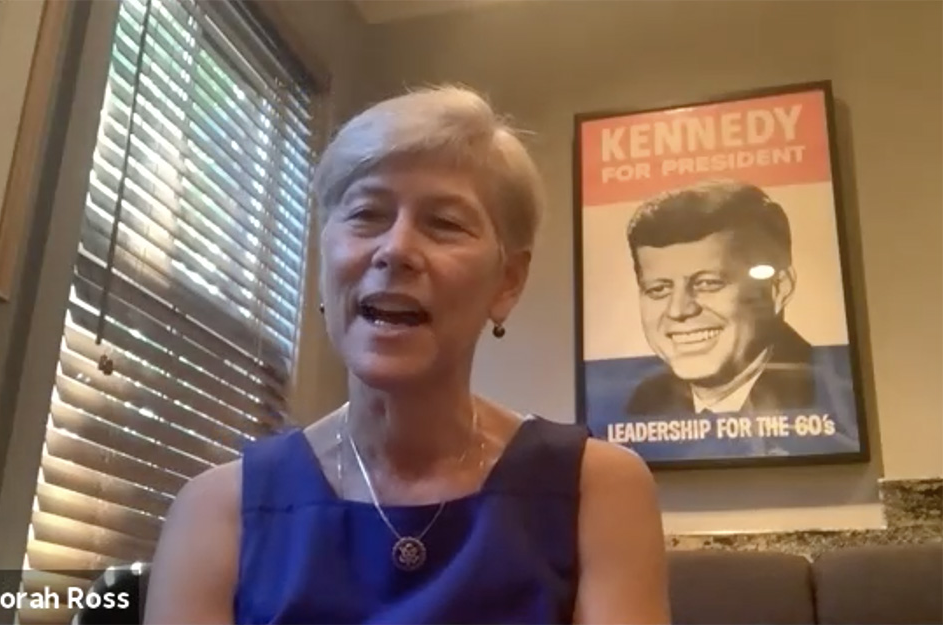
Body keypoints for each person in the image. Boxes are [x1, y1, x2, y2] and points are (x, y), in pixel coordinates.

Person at [143, 86, 670, 624]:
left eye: (444, 223)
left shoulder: (596, 488)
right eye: (367, 214)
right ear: (326, 262)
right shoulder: (217, 508)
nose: (395, 249)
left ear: (507, 282)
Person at [624, 180, 814, 418]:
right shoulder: (645, 402)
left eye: (707, 283)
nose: (678, 310)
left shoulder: (829, 392)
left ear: (778, 289)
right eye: (659, 289)